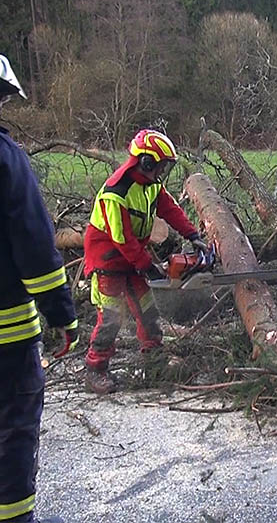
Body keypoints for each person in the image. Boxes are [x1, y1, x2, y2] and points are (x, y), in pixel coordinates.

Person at [1, 54, 77, 523]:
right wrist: (62, 314)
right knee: (12, 438)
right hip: (7, 342)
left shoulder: (148, 188)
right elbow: (36, 249)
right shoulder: (7, 161)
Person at [83, 129, 206, 393]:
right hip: (108, 260)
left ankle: (154, 358)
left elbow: (169, 209)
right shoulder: (116, 192)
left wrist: (193, 235)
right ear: (146, 161)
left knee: (148, 308)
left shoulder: (151, 185)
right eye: (159, 165)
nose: (161, 171)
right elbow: (121, 238)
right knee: (111, 317)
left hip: (131, 256)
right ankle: (96, 369)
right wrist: (147, 266)